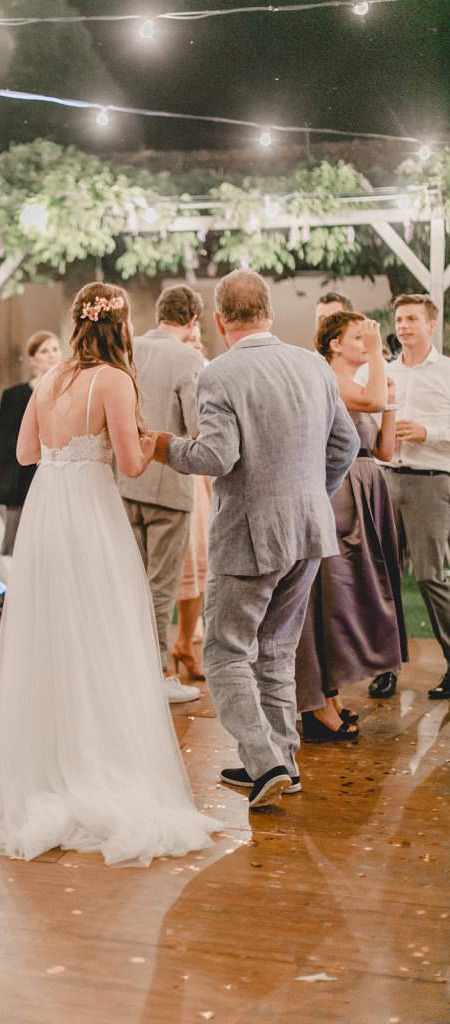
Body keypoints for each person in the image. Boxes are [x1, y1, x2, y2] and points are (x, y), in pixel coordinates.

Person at [0, 282, 222, 866]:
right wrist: (134, 443)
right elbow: (134, 463)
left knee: (52, 629)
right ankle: (100, 759)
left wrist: (68, 449)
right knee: (104, 629)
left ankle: (51, 765)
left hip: (46, 510)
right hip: (89, 509)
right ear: (121, 326)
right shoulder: (114, 380)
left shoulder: (49, 378)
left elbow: (24, 455)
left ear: (77, 322)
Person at [154, 270, 359, 809]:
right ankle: (283, 763)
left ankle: (262, 760)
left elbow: (215, 457)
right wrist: (313, 491)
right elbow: (348, 442)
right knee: (277, 650)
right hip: (309, 529)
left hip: (251, 534)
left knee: (223, 653)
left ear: (220, 321)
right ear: (269, 312)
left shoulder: (220, 373)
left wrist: (162, 447)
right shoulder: (313, 365)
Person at [294, 312, 407, 740]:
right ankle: (318, 704)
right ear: (335, 344)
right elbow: (371, 403)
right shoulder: (329, 378)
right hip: (337, 496)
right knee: (333, 595)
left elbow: (385, 449)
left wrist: (392, 400)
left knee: (354, 593)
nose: (368, 343)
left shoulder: (361, 387)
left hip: (365, 491)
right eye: (359, 337)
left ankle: (332, 696)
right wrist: (380, 358)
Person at [117, 285, 204, 703]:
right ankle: (154, 674)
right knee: (160, 586)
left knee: (129, 580)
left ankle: (127, 668)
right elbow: (197, 427)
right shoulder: (189, 358)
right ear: (192, 321)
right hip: (168, 485)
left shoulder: (127, 348)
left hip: (122, 480)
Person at [372, 295, 450, 701]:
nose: (403, 326)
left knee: (429, 576)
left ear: (431, 325)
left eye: (412, 319)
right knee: (384, 577)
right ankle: (385, 668)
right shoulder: (384, 372)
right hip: (386, 480)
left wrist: (428, 433)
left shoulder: (448, 372)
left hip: (430, 480)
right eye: (400, 319)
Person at [0, 331, 62, 555]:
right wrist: (7, 490)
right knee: (23, 547)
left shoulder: (69, 390)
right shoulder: (14, 396)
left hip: (61, 474)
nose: (52, 355)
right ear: (33, 359)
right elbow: (6, 446)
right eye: (44, 351)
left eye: (55, 349)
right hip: (24, 478)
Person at [172, 322, 210, 681]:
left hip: (204, 474)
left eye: (199, 339)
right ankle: (175, 643)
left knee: (200, 560)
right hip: (176, 466)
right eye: (190, 338)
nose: (195, 343)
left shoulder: (209, 370)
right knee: (181, 560)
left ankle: (185, 640)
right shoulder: (171, 365)